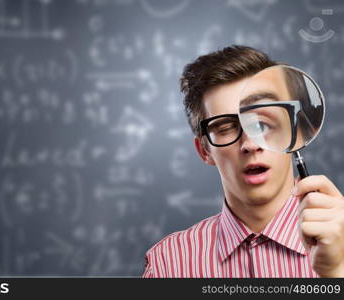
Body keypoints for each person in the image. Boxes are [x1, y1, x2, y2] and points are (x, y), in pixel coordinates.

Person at [142, 45, 344, 278]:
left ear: (295, 132)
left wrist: (336, 272)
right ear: (204, 151)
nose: (250, 143)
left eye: (262, 123)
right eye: (226, 128)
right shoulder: (168, 264)